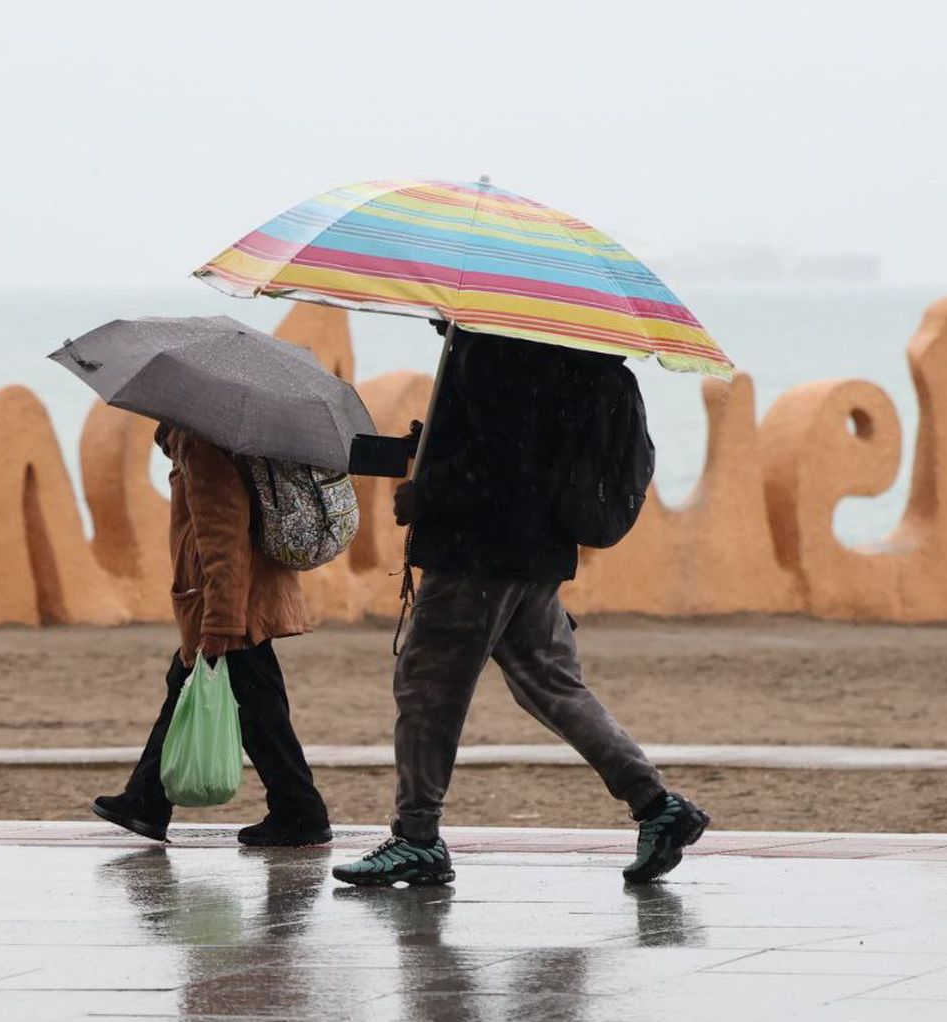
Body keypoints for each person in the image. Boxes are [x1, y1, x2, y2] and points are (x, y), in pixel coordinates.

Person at [332, 325, 709, 888]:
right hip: (536, 551)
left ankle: (417, 838)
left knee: (427, 689)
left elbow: (503, 457)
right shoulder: (552, 346)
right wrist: (434, 443)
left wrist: (426, 493)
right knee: (552, 685)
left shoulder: (491, 347)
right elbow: (523, 438)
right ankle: (658, 806)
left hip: (477, 556)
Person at [93, 425, 332, 847]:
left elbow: (224, 540)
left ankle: (300, 811)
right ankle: (146, 800)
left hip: (229, 604)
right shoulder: (206, 439)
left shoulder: (202, 444)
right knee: (192, 687)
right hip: (235, 598)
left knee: (259, 710)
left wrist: (221, 625)